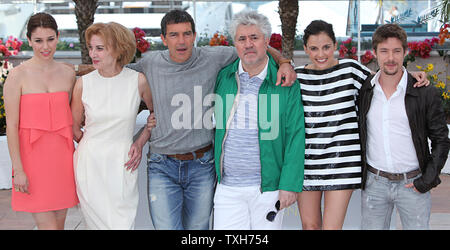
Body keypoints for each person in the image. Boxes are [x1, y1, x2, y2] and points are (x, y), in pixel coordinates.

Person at [126, 9, 297, 230]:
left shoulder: (213, 57)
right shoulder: (150, 63)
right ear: (163, 39)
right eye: (174, 35)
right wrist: (74, 72)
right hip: (162, 165)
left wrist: (284, 62)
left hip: (202, 164)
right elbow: (114, 75)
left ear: (195, 36)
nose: (181, 41)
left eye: (187, 34)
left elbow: (256, 44)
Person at [294, 20, 428, 230]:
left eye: (326, 47)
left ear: (335, 46)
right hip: (306, 165)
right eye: (314, 48)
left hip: (342, 164)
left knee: (331, 228)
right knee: (309, 225)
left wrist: (410, 75)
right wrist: (284, 62)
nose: (321, 53)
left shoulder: (351, 70)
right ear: (305, 49)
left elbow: (383, 80)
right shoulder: (297, 77)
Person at [212, 10, 305, 230]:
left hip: (268, 188)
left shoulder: (284, 82)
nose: (248, 44)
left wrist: (289, 184)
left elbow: (295, 135)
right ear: (235, 44)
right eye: (242, 39)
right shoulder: (223, 77)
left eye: (254, 38)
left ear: (266, 41)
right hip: (228, 188)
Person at [359, 23, 450, 230]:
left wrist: (427, 180)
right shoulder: (365, 90)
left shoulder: (424, 92)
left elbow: (441, 140)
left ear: (405, 52)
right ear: (374, 53)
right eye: (384, 51)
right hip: (375, 185)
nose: (390, 58)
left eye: (396, 51)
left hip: (413, 184)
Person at [71, 22, 154, 229]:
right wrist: (93, 146)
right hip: (90, 165)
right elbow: (73, 127)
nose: (93, 54)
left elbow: (156, 115)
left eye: (99, 48)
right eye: (91, 48)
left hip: (122, 163)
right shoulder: (83, 83)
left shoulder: (138, 81)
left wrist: (140, 141)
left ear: (118, 49)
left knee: (122, 223)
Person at [3, 12, 78, 229]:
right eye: (38, 41)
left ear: (58, 37)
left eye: (50, 39)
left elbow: (74, 118)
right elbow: (12, 126)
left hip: (63, 160)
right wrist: (18, 169)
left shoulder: (67, 73)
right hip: (32, 164)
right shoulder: (18, 76)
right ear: (28, 40)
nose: (45, 47)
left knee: (59, 226)